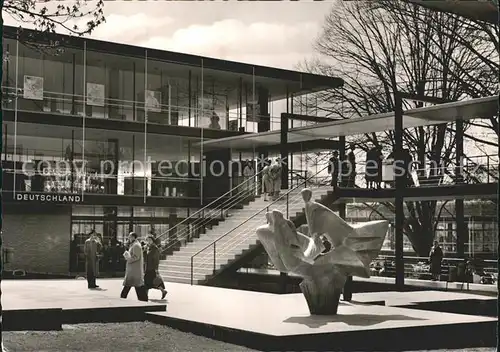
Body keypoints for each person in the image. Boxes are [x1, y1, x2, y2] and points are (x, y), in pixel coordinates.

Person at [121, 232, 148, 301]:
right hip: (133, 270)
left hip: (134, 270)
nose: (128, 238)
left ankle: (122, 299)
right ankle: (143, 299)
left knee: (133, 285)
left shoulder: (136, 245)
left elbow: (136, 257)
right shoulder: (134, 244)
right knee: (137, 285)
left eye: (129, 236)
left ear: (133, 237)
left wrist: (128, 258)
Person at [144, 235, 167, 300]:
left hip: (152, 268)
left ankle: (163, 291)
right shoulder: (147, 248)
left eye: (149, 240)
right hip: (147, 267)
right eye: (147, 240)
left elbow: (156, 259)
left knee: (153, 281)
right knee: (147, 282)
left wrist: (156, 269)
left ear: (152, 240)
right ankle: (146, 296)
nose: (148, 241)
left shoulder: (155, 248)